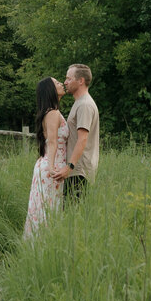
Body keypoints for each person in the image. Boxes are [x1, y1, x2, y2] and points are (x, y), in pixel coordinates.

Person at [24, 76, 67, 238]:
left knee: (44, 210)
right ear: (51, 90)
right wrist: (51, 167)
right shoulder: (53, 113)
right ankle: (42, 246)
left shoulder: (51, 112)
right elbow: (52, 142)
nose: (61, 84)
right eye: (57, 83)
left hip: (49, 164)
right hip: (51, 166)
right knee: (47, 211)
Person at [54, 63, 99, 202]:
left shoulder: (85, 105)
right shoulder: (79, 103)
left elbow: (82, 139)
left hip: (79, 171)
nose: (65, 82)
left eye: (69, 78)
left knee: (71, 212)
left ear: (81, 81)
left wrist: (70, 166)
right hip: (75, 170)